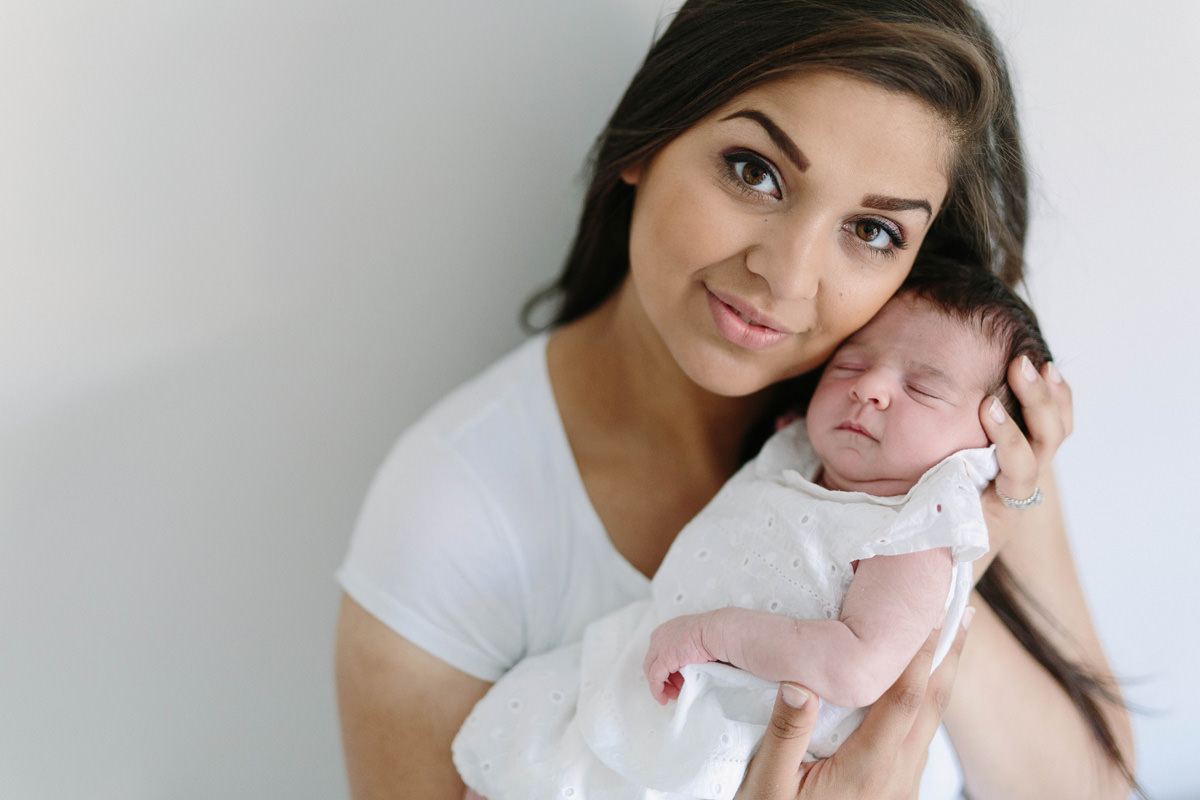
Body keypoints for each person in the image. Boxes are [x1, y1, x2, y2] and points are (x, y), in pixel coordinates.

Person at [334, 2, 1138, 798]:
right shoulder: (455, 510)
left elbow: (1093, 788)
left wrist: (959, 537)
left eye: (873, 232)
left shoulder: (948, 425)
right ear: (648, 140)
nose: (787, 276)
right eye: (755, 172)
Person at [450, 260, 1050, 799]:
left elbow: (857, 667)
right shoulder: (802, 454)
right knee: (549, 735)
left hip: (740, 740)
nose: (869, 387)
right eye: (852, 364)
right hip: (659, 669)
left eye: (920, 388)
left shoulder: (915, 536)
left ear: (984, 448)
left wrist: (716, 636)